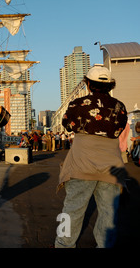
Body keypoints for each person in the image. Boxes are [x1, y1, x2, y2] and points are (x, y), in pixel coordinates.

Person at [55, 66, 128, 248]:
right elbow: (120, 128)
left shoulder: (77, 105)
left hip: (81, 165)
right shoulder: (120, 107)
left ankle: (63, 245)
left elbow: (67, 124)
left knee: (71, 210)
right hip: (111, 167)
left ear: (88, 84)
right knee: (108, 214)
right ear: (110, 86)